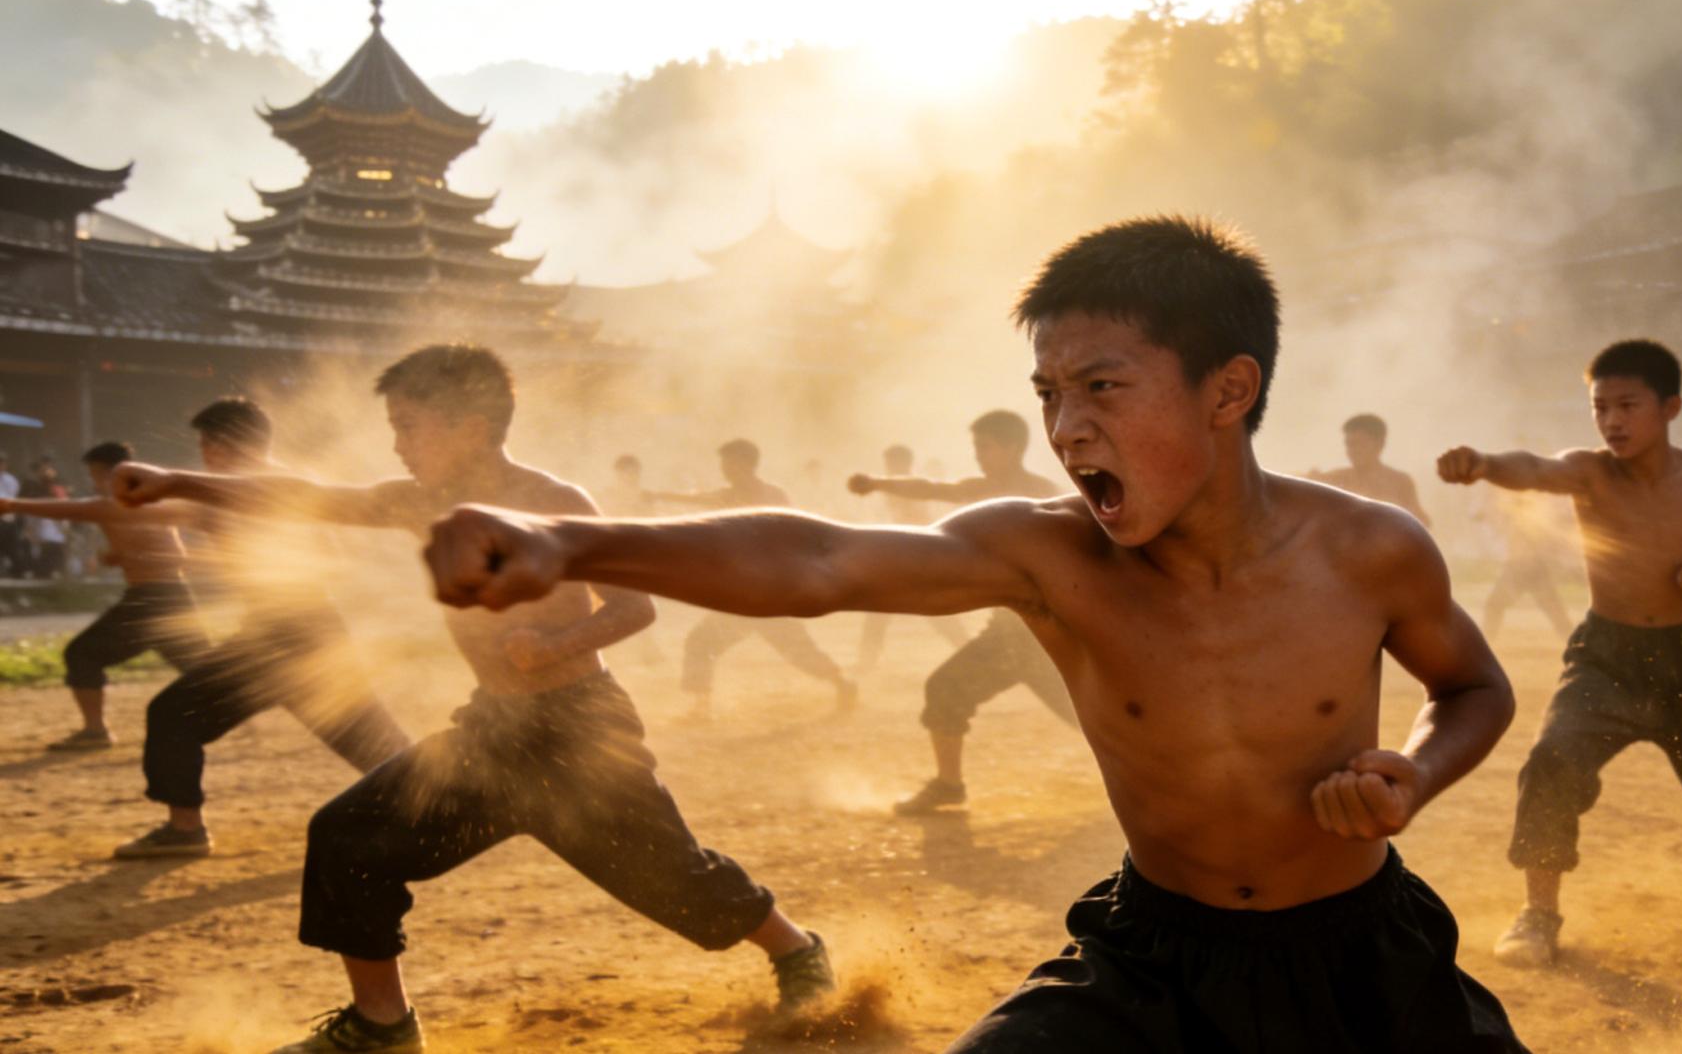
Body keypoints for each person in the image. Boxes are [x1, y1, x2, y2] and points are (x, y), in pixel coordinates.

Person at [423, 216, 1526, 1051]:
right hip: (1152, 963)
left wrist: (1413, 778)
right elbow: (820, 559)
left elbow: (1474, 687)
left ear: (1228, 391)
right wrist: (571, 543)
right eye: (1049, 393)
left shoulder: (1369, 549)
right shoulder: (1047, 557)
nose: (1067, 426)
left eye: (1103, 386)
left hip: (1366, 958)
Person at [111, 345, 832, 1054]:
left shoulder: (554, 503)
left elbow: (634, 607)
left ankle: (797, 951)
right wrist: (181, 481)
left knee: (675, 882)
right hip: (491, 731)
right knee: (347, 837)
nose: (397, 444)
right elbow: (307, 497)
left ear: (473, 428)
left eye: (410, 425)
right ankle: (382, 1026)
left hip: (579, 732)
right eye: (393, 426)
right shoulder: (418, 502)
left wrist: (555, 645)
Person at [1437, 339, 1682, 970]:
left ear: (1671, 407)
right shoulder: (1588, 470)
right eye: (1600, 407)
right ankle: (1539, 912)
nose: (1612, 421)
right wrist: (1480, 462)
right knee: (1554, 761)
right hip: (1606, 654)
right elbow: (1530, 467)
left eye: (1628, 406)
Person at [107, 397, 412, 861]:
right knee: (366, 735)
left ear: (228, 444)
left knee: (174, 715)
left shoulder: (279, 483)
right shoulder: (223, 492)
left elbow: (327, 548)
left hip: (289, 633)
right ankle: (440, 803)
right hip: (298, 632)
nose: (205, 451)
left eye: (210, 442)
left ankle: (184, 829)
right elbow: (114, 511)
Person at [846, 415, 1075, 815]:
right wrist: (879, 484)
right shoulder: (983, 490)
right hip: (1007, 634)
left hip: (1050, 635)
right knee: (946, 690)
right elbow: (935, 488)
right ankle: (949, 785)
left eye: (986, 447)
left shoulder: (1045, 496)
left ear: (1012, 449)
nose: (979, 456)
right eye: (977, 447)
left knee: (1095, 718)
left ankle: (1168, 777)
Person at [0, 441, 212, 750]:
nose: (94, 483)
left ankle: (95, 731)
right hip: (171, 596)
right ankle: (274, 700)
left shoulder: (121, 502)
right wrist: (119, 555)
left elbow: (73, 509)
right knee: (205, 669)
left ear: (110, 473)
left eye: (95, 475)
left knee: (82, 654)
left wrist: (12, 505)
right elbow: (172, 551)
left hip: (151, 599)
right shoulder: (145, 500)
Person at [651, 439, 856, 719]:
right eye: (723, 463)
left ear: (746, 464)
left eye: (729, 463)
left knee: (798, 650)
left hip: (771, 593)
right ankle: (701, 708)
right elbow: (700, 498)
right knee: (702, 642)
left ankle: (842, 683)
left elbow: (798, 534)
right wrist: (660, 495)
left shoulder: (773, 496)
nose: (724, 469)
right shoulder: (729, 495)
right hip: (745, 594)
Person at [850, 443, 970, 675]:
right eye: (889, 463)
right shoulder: (890, 488)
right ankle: (866, 662)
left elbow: (921, 521)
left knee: (939, 614)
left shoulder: (910, 488)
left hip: (916, 557)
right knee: (878, 613)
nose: (890, 467)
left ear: (905, 463)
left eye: (894, 463)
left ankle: (973, 653)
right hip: (900, 557)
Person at [1478, 490, 1573, 643]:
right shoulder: (1526, 513)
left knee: (1494, 605)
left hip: (1524, 568)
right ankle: (1574, 644)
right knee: (1556, 613)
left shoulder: (1531, 514)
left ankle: (1485, 644)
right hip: (1528, 567)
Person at [1310, 414, 1431, 525]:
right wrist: (1312, 482)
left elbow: (1422, 522)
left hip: (1384, 545)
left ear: (1380, 444)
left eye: (1360, 444)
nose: (1354, 450)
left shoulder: (1399, 481)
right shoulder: (1337, 478)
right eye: (1349, 444)